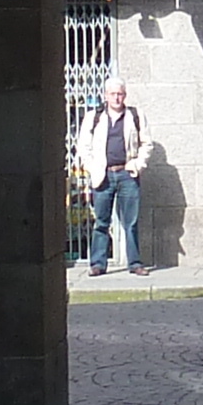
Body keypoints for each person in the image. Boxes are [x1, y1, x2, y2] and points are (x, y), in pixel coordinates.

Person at [74, 81, 153, 274]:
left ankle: (134, 263)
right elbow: (84, 146)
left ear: (124, 95)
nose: (116, 98)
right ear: (106, 95)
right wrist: (92, 168)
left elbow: (147, 144)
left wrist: (137, 164)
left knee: (131, 222)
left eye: (120, 94)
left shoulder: (135, 116)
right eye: (112, 94)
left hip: (127, 173)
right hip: (104, 175)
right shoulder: (95, 117)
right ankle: (98, 264)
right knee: (101, 221)